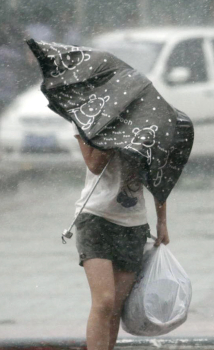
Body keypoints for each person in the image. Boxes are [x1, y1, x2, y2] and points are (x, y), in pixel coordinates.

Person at [72, 126, 169, 350]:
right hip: (95, 217)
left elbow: (158, 175)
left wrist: (162, 220)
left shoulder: (148, 122)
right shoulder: (88, 118)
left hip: (133, 224)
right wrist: (115, 131)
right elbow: (94, 165)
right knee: (104, 301)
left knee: (116, 306)